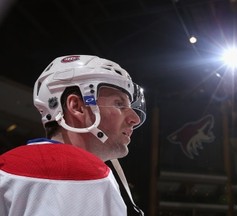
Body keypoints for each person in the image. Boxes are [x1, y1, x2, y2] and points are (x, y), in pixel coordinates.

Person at [0, 55, 146, 215]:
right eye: (119, 104)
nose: (135, 119)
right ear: (77, 107)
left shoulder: (5, 169)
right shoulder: (92, 175)